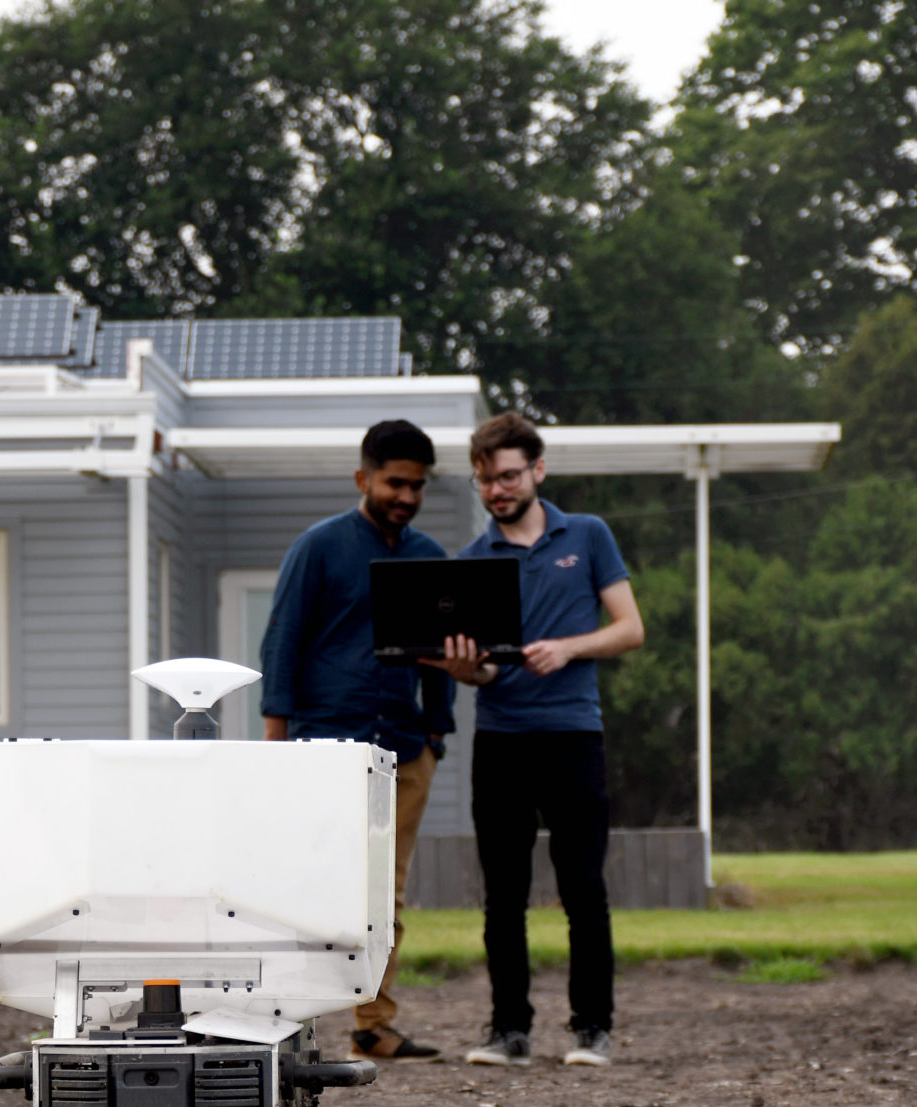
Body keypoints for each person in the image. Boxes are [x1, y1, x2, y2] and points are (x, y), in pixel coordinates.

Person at [442, 412, 643, 1068]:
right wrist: (462, 667)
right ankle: (509, 1031)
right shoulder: (472, 562)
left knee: (582, 885)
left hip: (573, 737)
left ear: (537, 470)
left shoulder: (586, 536)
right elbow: (488, 668)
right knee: (503, 893)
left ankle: (593, 1029)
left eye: (507, 476)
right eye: (485, 481)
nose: (496, 490)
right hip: (501, 741)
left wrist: (568, 647)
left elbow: (629, 628)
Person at [257, 419, 457, 1062]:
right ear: (363, 478)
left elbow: (440, 656)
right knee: (309, 886)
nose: (406, 495)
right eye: (395, 482)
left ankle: (375, 1024)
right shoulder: (318, 547)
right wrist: (275, 742)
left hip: (405, 747)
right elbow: (283, 639)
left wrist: (436, 731)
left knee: (386, 895)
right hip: (324, 749)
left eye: (417, 486)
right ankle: (290, 1022)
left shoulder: (430, 558)